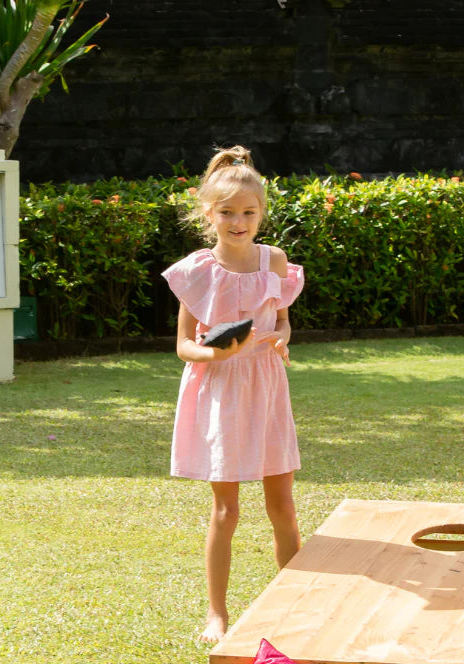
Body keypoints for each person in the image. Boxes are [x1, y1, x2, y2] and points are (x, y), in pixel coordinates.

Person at [162, 145, 305, 644]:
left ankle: (294, 604)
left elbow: (282, 319)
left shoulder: (275, 260)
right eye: (227, 213)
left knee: (283, 507)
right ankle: (216, 614)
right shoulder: (197, 270)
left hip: (266, 385)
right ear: (209, 214)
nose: (238, 222)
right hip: (221, 390)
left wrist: (281, 338)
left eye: (248, 212)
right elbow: (183, 345)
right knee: (227, 510)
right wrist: (215, 354)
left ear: (262, 213)